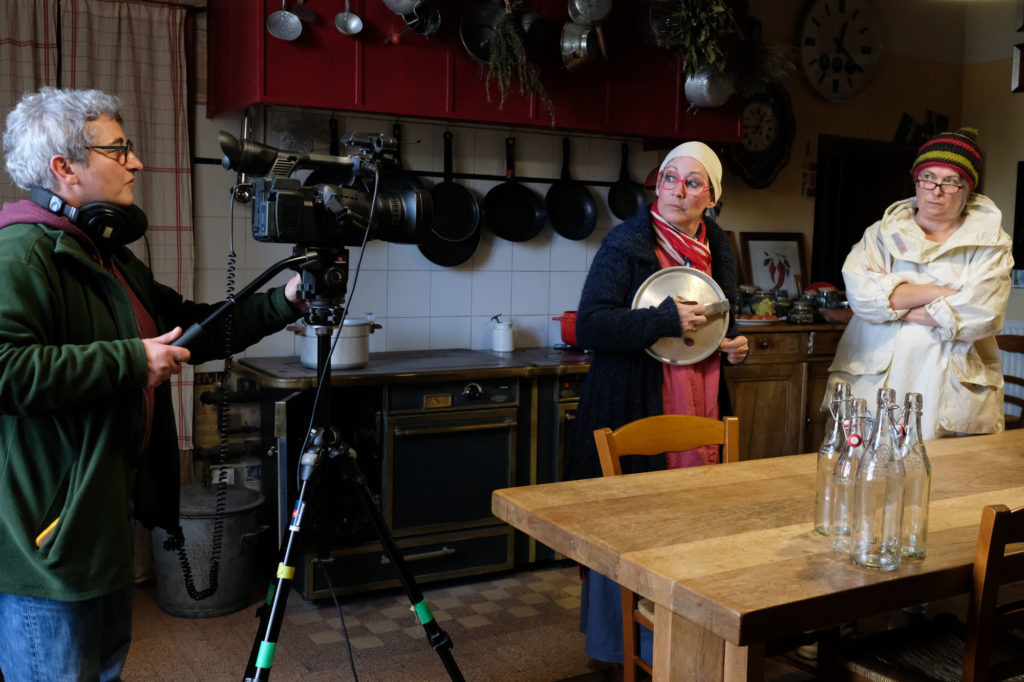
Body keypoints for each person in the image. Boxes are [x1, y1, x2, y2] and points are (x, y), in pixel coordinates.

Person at [0, 87, 307, 680]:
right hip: (45, 539)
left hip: (100, 520)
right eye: (119, 151)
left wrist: (286, 300)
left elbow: (192, 328)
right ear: (64, 168)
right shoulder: (20, 255)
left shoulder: (104, 256)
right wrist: (129, 361)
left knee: (104, 668)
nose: (135, 163)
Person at [565, 141, 749, 667]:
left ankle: (685, 647)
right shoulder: (627, 242)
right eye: (670, 178)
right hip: (632, 403)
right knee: (631, 527)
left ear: (712, 198)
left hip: (701, 402)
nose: (677, 191)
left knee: (694, 523)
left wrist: (734, 345)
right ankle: (621, 646)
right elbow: (591, 325)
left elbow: (721, 320)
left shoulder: (719, 244)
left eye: (693, 183)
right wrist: (661, 321)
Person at [827, 127, 1013, 440]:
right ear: (916, 180)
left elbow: (982, 315)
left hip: (951, 394)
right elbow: (862, 297)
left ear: (968, 187)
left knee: (951, 482)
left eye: (950, 181)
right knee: (869, 474)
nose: (935, 189)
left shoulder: (990, 243)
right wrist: (940, 293)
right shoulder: (880, 234)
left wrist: (896, 301)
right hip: (877, 383)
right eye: (927, 176)